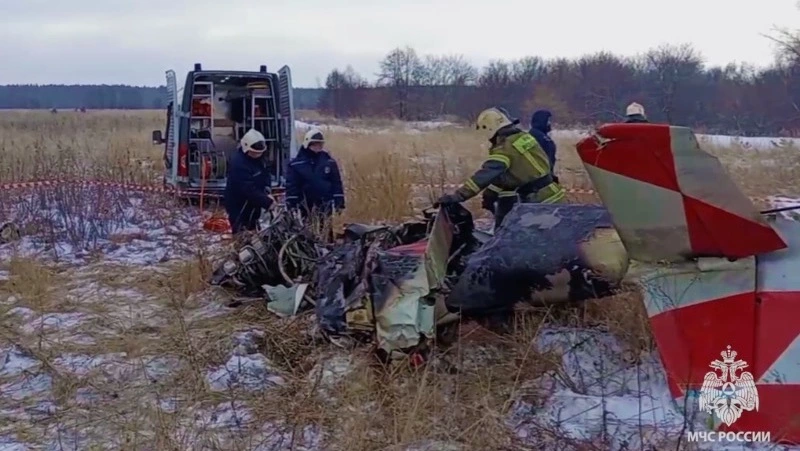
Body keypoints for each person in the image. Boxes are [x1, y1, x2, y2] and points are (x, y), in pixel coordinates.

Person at [439, 107, 566, 229]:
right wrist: (492, 192)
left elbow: (487, 173)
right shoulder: (523, 137)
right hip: (552, 194)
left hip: (539, 202)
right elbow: (512, 173)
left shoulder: (504, 148)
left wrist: (458, 196)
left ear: (489, 128)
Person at [285, 128, 345, 241]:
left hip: (324, 203)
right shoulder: (297, 164)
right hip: (306, 204)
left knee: (326, 231)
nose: (318, 147)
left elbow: (336, 183)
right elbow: (292, 186)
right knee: (307, 231)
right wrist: (291, 204)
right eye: (315, 144)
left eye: (320, 144)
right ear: (308, 144)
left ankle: (327, 248)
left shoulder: (329, 162)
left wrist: (339, 202)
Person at [224, 129, 275, 235]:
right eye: (255, 152)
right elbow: (247, 188)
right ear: (246, 148)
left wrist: (267, 190)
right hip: (238, 205)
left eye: (260, 152)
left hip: (253, 203)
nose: (258, 155)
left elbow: (265, 174)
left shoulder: (260, 159)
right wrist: (267, 202)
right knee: (241, 233)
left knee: (253, 229)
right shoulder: (238, 164)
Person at [528, 109, 558, 183]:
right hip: (541, 178)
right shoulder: (539, 137)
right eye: (547, 121)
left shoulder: (535, 135)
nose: (549, 123)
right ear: (541, 122)